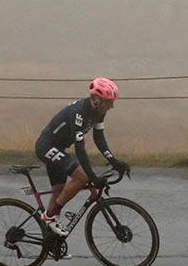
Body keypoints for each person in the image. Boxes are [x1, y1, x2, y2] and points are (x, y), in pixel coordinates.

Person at [34, 78, 130, 236]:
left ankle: (50, 240)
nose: (111, 106)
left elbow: (99, 139)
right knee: (81, 177)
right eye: (109, 102)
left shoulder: (99, 111)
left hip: (58, 148)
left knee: (59, 191)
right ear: (97, 100)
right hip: (46, 146)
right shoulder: (79, 112)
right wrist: (92, 176)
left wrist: (115, 161)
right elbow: (80, 150)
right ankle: (49, 217)